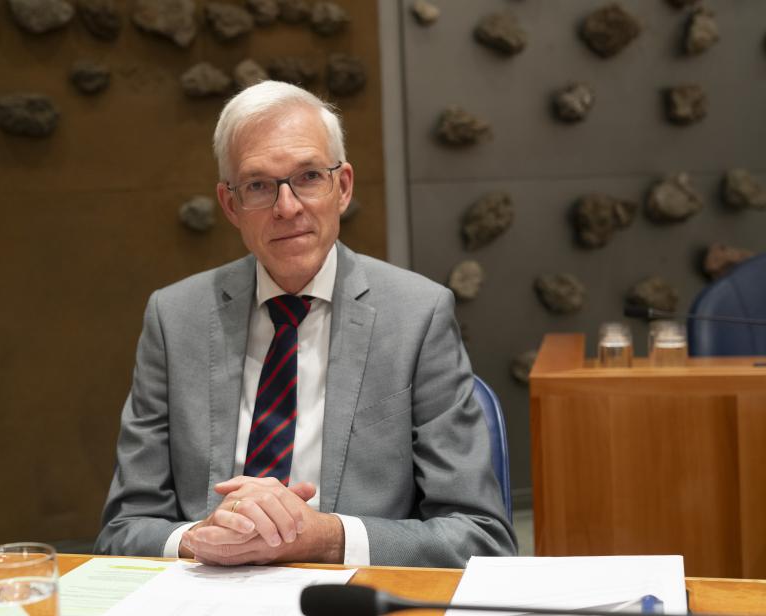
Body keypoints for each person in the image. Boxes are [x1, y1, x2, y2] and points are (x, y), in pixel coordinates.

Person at [95, 81, 516, 567]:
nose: (287, 207)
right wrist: (197, 538)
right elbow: (124, 528)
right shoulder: (175, 318)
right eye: (257, 185)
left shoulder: (418, 316)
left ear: (344, 187)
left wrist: (324, 537)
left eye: (309, 176)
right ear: (230, 205)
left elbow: (480, 536)